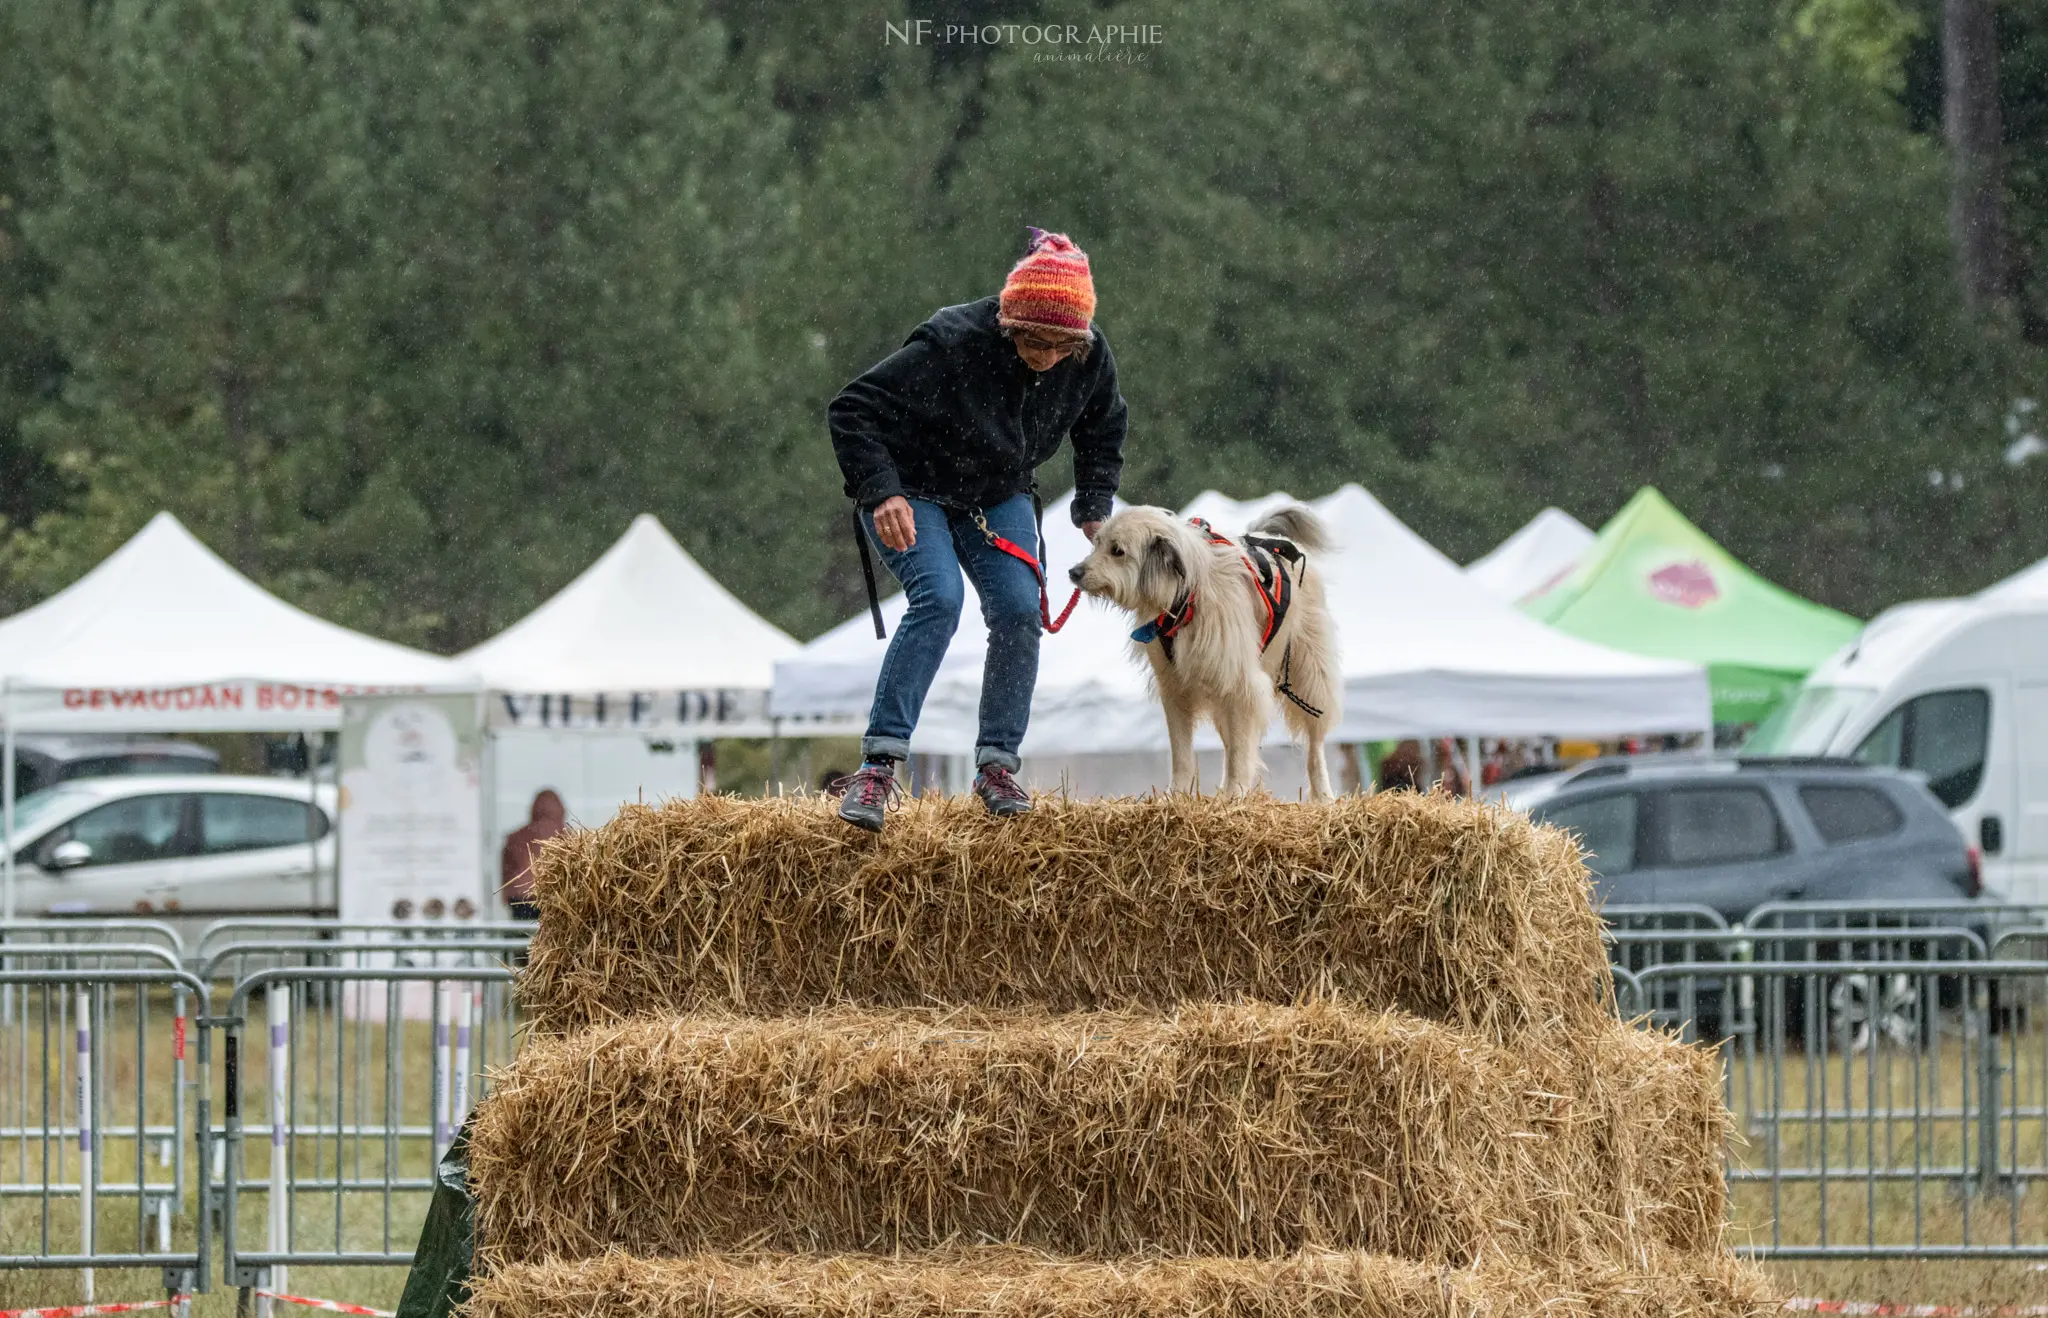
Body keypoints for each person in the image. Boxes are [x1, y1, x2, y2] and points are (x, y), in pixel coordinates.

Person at [827, 228, 1128, 832]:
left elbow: (1102, 426)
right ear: (1011, 322)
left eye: (1059, 347)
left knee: (1019, 609)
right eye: (1035, 342)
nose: (1046, 356)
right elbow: (851, 409)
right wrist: (881, 491)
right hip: (911, 488)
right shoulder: (950, 341)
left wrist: (1094, 501)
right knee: (939, 598)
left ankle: (996, 766)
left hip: (997, 492)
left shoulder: (1087, 355)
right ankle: (879, 766)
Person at [500, 789, 565, 921]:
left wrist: (507, 895)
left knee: (521, 937)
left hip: (521, 900)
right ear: (561, 809)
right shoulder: (569, 838)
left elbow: (506, 871)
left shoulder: (515, 838)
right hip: (557, 902)